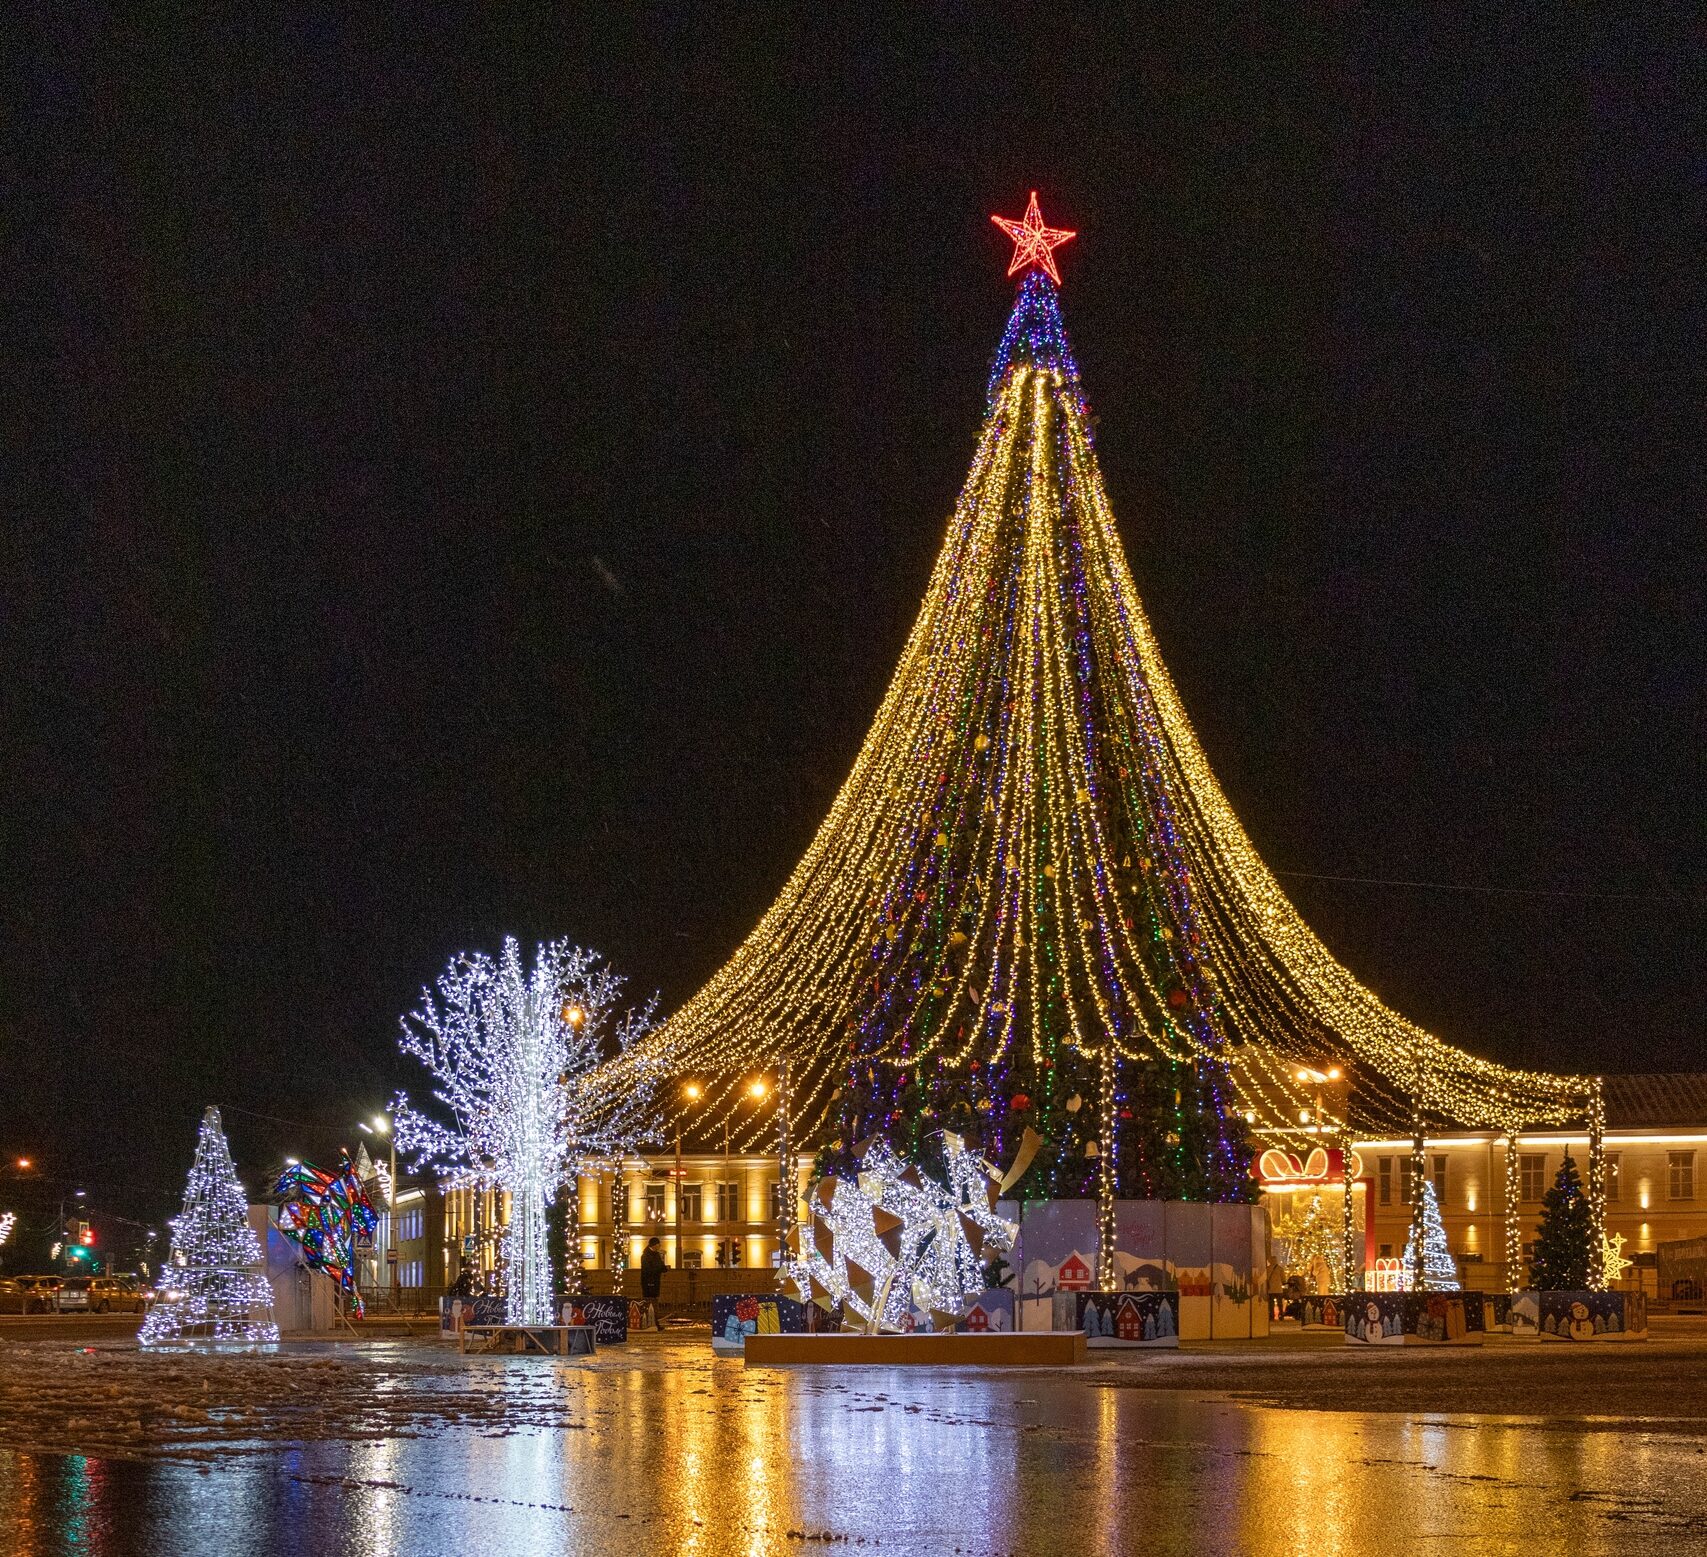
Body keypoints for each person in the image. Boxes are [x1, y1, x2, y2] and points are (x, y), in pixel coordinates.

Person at [640, 1236, 667, 1330]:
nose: (660, 1246)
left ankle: (654, 1323)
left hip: (654, 1282)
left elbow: (659, 1266)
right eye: (659, 1244)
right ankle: (651, 1323)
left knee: (654, 1302)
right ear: (654, 1245)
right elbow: (649, 1269)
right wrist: (660, 1268)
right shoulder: (646, 1255)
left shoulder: (655, 1254)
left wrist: (664, 1268)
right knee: (650, 1303)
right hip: (649, 1283)